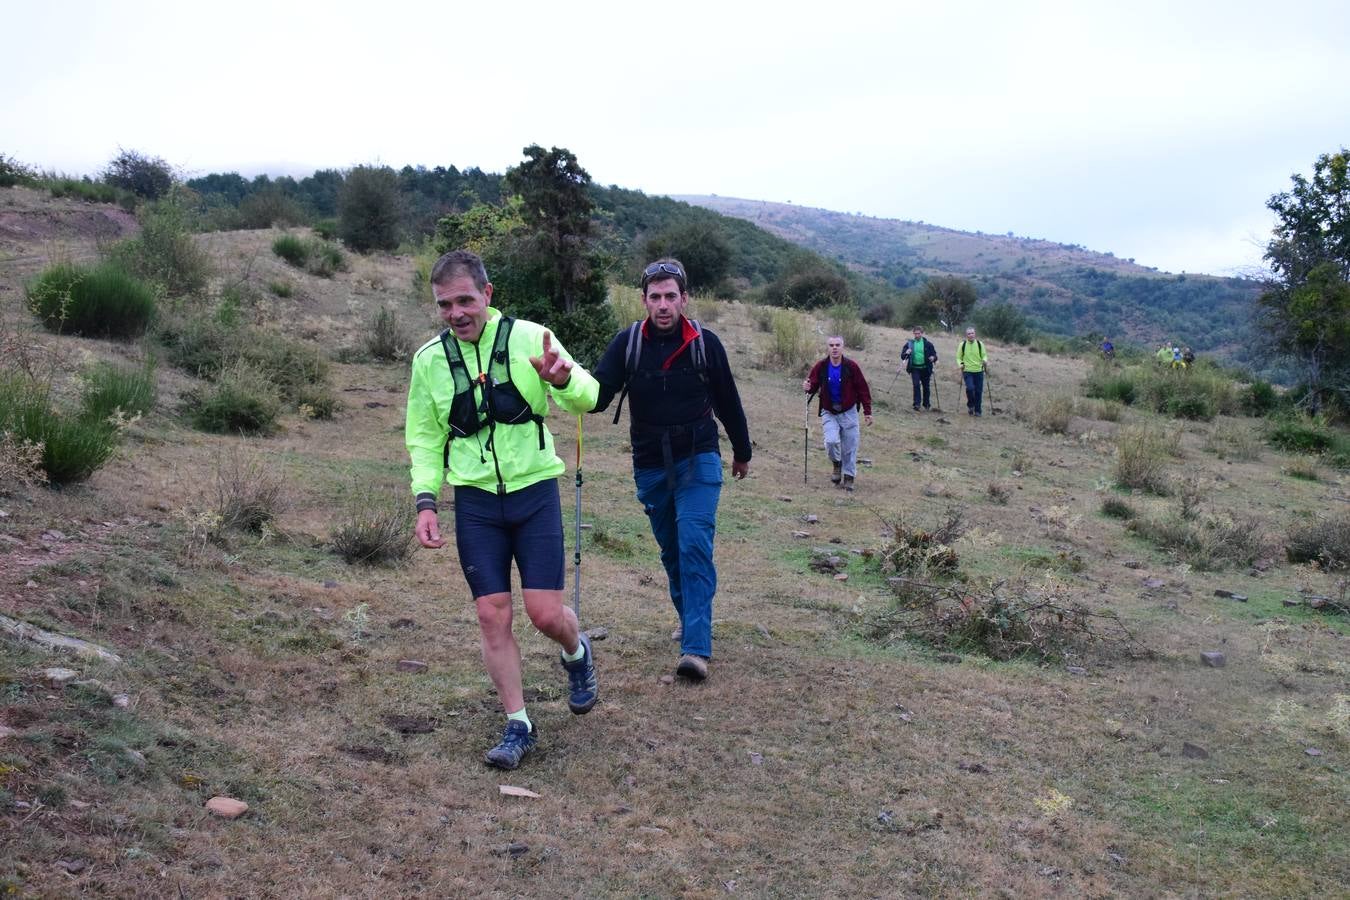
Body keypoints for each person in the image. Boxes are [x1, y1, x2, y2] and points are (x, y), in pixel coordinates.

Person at [405, 250, 600, 770]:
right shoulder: (429, 361)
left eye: (465, 300)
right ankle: (519, 723)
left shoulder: (530, 337)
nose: (456, 313)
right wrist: (426, 501)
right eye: (445, 305)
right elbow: (424, 439)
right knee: (492, 615)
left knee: (544, 613)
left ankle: (577, 653)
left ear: (487, 296)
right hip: (474, 501)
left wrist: (562, 381)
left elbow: (588, 396)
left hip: (534, 492)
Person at [590, 258, 751, 682]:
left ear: (684, 298)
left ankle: (696, 647)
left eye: (670, 297)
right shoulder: (628, 343)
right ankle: (691, 616)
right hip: (649, 462)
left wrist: (742, 450)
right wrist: (560, 377)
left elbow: (728, 399)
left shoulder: (705, 342)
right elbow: (596, 396)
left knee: (694, 542)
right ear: (643, 300)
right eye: (655, 297)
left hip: (698, 456)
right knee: (671, 549)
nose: (663, 305)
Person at [803, 336, 873, 490]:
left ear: (843, 347)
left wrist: (867, 412)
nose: (834, 348)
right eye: (831, 345)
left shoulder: (851, 366)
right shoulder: (821, 366)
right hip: (829, 411)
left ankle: (849, 477)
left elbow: (862, 389)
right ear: (827, 348)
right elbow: (812, 384)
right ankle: (836, 464)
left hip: (849, 411)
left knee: (850, 447)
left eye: (837, 345)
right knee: (831, 441)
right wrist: (807, 386)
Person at [900, 326, 938, 411]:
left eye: (918, 333)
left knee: (926, 387)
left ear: (922, 333)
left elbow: (935, 355)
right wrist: (906, 352)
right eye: (915, 333)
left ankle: (926, 404)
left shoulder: (928, 344)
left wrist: (933, 358)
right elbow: (903, 356)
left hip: (925, 368)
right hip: (914, 368)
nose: (917, 335)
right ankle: (917, 404)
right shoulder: (910, 344)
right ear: (913, 334)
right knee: (916, 385)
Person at [956, 326, 988, 416]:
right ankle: (970, 405)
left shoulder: (980, 344)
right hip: (967, 371)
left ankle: (978, 411)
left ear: (975, 334)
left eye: (972, 333)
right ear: (966, 335)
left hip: (979, 370)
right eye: (969, 334)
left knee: (978, 391)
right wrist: (960, 364)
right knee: (970, 388)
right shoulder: (962, 345)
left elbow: (984, 355)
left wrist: (985, 360)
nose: (971, 335)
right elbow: (958, 357)